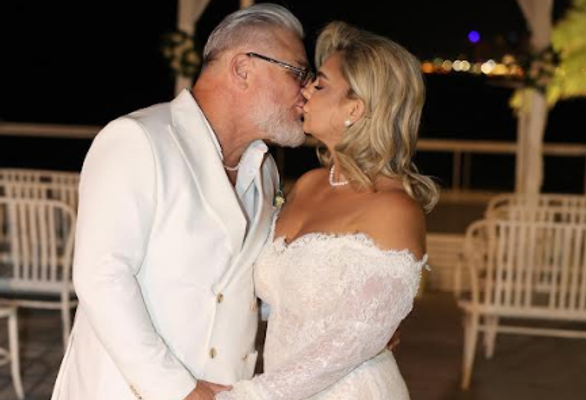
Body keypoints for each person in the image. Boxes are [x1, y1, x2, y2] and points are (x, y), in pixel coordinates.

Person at [50, 4, 311, 400]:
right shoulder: (137, 139)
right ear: (243, 69)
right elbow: (101, 276)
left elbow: (243, 289)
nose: (306, 91)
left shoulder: (265, 170)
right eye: (297, 73)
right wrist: (180, 390)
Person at [215, 21, 439, 400]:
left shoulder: (393, 209)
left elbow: (351, 340)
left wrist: (246, 397)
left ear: (354, 108)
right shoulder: (308, 185)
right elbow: (281, 301)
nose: (304, 90)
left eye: (319, 85)